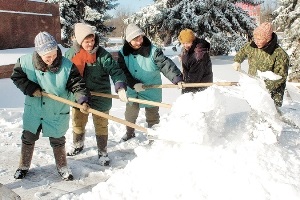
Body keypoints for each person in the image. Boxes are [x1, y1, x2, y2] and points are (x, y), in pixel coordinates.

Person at [11, 31, 90, 181]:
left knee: (58, 140)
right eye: (48, 56)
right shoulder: (25, 62)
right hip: (34, 110)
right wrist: (30, 88)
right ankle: (23, 166)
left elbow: (77, 84)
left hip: (56, 110)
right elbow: (17, 77)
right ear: (39, 53)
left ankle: (62, 167)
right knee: (28, 137)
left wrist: (82, 100)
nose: (52, 59)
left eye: (54, 55)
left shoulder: (67, 66)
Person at [64, 23, 127, 166]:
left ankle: (103, 152)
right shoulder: (70, 55)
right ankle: (78, 144)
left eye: (92, 40)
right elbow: (64, 74)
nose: (91, 44)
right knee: (78, 122)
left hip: (100, 94)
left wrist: (120, 86)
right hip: (79, 96)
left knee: (101, 124)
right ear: (80, 41)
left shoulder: (102, 54)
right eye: (87, 41)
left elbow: (115, 71)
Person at [118, 23, 183, 142]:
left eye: (140, 38)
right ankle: (130, 132)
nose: (139, 42)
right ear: (128, 41)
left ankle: (153, 136)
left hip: (151, 88)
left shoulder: (153, 51)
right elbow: (122, 72)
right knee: (130, 114)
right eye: (135, 39)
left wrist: (176, 78)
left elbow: (165, 64)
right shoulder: (123, 53)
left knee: (152, 115)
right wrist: (132, 84)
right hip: (133, 90)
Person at [232, 22, 289, 107]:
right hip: (255, 89)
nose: (256, 41)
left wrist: (262, 85)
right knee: (255, 111)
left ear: (268, 39)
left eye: (260, 39)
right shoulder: (252, 45)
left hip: (272, 94)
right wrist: (237, 61)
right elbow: (243, 51)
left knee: (272, 117)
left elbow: (280, 78)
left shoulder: (280, 54)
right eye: (255, 38)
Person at [178, 29, 213, 94]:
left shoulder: (199, 53)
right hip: (192, 86)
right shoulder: (188, 49)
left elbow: (195, 76)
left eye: (187, 42)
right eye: (183, 43)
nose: (185, 45)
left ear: (192, 40)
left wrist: (185, 91)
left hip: (200, 88)